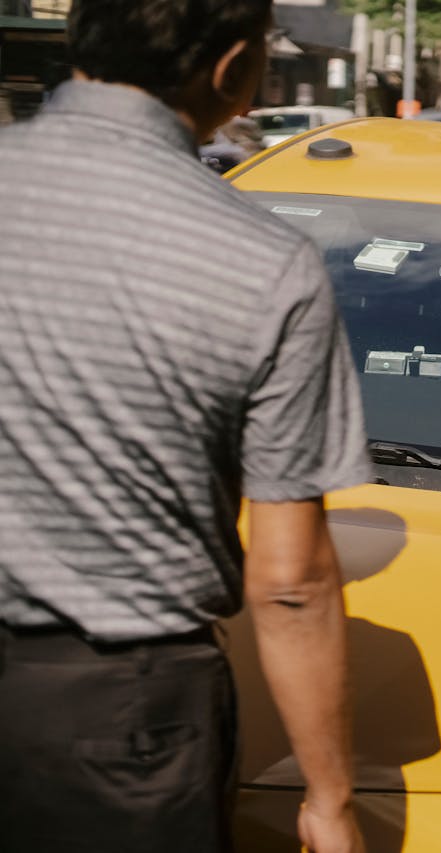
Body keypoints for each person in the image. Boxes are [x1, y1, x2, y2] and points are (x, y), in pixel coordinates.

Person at [0, 2, 369, 852]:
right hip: (120, 722)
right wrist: (329, 797)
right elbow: (289, 581)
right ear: (234, 70)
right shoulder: (262, 264)